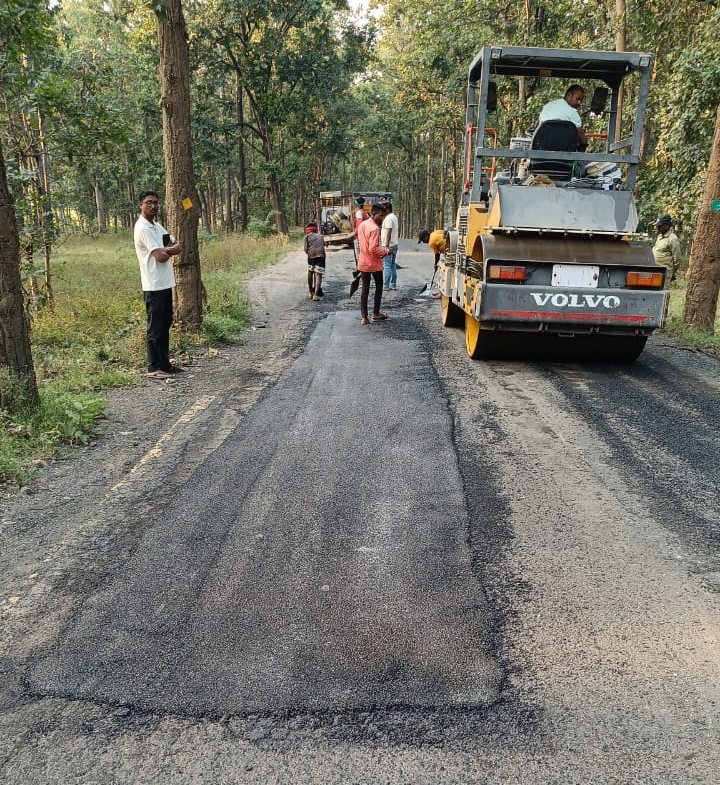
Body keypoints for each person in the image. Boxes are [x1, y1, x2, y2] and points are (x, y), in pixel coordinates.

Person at [133, 190, 183, 379]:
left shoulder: (155, 225)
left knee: (165, 324)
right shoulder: (143, 228)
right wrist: (170, 250)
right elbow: (161, 256)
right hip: (153, 284)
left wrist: (167, 248)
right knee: (155, 328)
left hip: (164, 282)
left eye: (155, 202)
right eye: (148, 203)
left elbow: (172, 241)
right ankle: (153, 368)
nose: (153, 206)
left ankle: (165, 364)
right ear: (141, 205)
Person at [356, 203, 390, 325]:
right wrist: (386, 251)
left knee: (365, 288)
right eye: (381, 216)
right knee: (379, 286)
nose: (382, 219)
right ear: (373, 214)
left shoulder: (362, 225)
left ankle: (364, 317)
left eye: (384, 216)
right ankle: (376, 313)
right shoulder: (375, 229)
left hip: (363, 262)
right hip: (374, 264)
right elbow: (373, 249)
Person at [538, 84, 588, 149]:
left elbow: (539, 128)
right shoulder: (572, 112)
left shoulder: (547, 106)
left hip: (543, 150)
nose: (579, 103)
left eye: (581, 100)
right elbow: (583, 140)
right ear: (569, 95)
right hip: (564, 153)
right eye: (578, 99)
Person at [652, 214, 682, 284]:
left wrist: (670, 273)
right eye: (658, 226)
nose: (658, 228)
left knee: (662, 293)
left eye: (660, 226)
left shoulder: (673, 239)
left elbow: (677, 259)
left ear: (667, 225)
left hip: (665, 273)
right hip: (655, 271)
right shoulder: (660, 237)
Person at [303, 221, 326, 300]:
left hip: (311, 255)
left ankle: (310, 292)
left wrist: (310, 254)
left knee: (310, 271)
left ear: (307, 230)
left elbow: (305, 249)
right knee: (318, 274)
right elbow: (323, 245)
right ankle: (316, 295)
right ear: (315, 229)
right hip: (321, 255)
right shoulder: (320, 236)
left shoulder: (306, 237)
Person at [381, 202, 399, 290]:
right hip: (395, 244)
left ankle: (386, 285)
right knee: (392, 265)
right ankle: (393, 284)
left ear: (387, 209)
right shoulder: (394, 217)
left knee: (387, 264)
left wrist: (386, 246)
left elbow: (388, 231)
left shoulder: (388, 218)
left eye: (383, 209)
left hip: (389, 245)